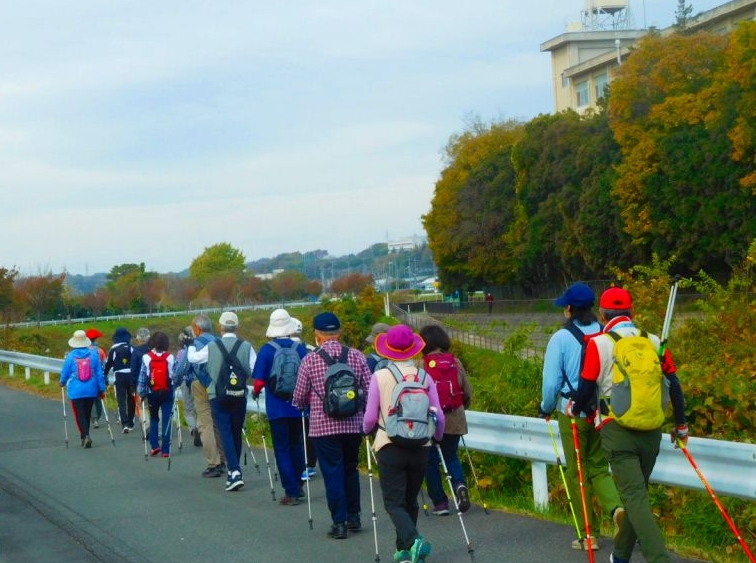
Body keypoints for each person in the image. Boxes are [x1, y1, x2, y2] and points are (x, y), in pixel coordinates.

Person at [569, 287, 689, 563]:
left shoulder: (598, 343)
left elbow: (586, 387)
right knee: (638, 496)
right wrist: (681, 424)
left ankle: (659, 559)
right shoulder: (655, 341)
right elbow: (674, 386)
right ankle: (620, 556)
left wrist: (574, 408)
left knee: (635, 497)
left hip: (616, 430)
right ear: (632, 313)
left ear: (603, 313)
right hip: (651, 431)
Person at [538, 283, 624, 551]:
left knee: (577, 471)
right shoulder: (604, 333)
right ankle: (616, 509)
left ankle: (589, 534)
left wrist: (546, 407)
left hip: (571, 412)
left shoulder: (560, 338)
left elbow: (551, 383)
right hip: (600, 412)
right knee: (599, 465)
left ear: (569, 309)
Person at [363, 324, 445, 563]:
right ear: (413, 350)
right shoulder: (425, 377)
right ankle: (406, 551)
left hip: (389, 445)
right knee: (410, 500)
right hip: (421, 446)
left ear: (387, 350)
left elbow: (369, 417)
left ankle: (414, 541)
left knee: (393, 502)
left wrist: (365, 431)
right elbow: (438, 415)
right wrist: (436, 436)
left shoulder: (379, 376)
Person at [292, 312, 371, 539]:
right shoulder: (356, 356)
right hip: (353, 425)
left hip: (323, 428)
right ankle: (354, 516)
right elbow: (368, 389)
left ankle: (339, 523)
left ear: (317, 334)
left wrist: (304, 403)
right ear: (340, 332)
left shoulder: (310, 359)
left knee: (332, 473)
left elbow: (298, 397)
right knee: (350, 469)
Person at [252, 308, 309, 505]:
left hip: (276, 408)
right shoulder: (300, 349)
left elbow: (259, 382)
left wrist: (256, 392)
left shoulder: (267, 350)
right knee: (297, 444)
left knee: (282, 448)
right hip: (297, 405)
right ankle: (299, 484)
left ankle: (291, 491)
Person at [418, 324, 473, 516]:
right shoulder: (455, 362)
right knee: (451, 456)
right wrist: (461, 408)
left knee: (430, 461)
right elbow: (467, 391)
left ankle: (440, 503)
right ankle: (459, 486)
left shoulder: (421, 365)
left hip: (430, 420)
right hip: (454, 418)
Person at [205, 311, 256, 491]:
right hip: (239, 394)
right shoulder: (246, 346)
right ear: (238, 327)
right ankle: (235, 470)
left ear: (220, 327)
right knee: (235, 431)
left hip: (217, 396)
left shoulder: (211, 346)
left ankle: (234, 471)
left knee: (224, 431)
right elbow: (254, 368)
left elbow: (194, 359)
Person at [187, 314, 227, 478]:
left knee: (205, 423)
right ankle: (224, 458)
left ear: (197, 329)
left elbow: (186, 365)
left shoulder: (195, 344)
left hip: (201, 384)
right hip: (220, 383)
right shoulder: (220, 342)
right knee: (218, 421)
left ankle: (214, 462)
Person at [60, 330, 106, 448]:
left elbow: (65, 372)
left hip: (76, 390)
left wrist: (62, 382)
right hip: (91, 389)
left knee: (80, 414)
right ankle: (85, 436)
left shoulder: (70, 356)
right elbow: (99, 374)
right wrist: (101, 388)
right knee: (87, 413)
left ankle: (85, 436)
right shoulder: (93, 355)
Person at [137, 331, 176, 457]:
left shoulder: (146, 357)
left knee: (154, 418)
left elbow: (142, 377)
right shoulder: (170, 357)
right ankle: (166, 450)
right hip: (167, 392)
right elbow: (174, 375)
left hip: (152, 393)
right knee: (167, 419)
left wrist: (141, 393)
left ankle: (154, 446)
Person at [290, 317, 318, 481]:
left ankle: (298, 464)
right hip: (311, 398)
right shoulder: (309, 349)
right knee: (309, 431)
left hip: (290, 396)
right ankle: (310, 465)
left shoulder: (283, 348)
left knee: (295, 433)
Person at [103, 327, 135, 433]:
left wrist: (105, 376)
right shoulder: (131, 348)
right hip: (131, 375)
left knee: (121, 400)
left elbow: (108, 365)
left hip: (119, 376)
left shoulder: (113, 350)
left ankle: (124, 423)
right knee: (131, 399)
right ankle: (131, 421)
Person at [174, 326, 201, 447]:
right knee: (200, 408)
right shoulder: (200, 348)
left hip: (186, 382)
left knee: (189, 410)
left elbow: (178, 369)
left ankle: (193, 429)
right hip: (199, 381)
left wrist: (176, 382)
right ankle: (200, 430)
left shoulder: (181, 353)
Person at [86, 328, 108, 428]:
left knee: (90, 399)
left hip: (87, 379)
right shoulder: (100, 351)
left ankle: (93, 418)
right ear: (95, 340)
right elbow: (104, 366)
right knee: (98, 399)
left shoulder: (84, 351)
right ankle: (96, 417)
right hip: (98, 379)